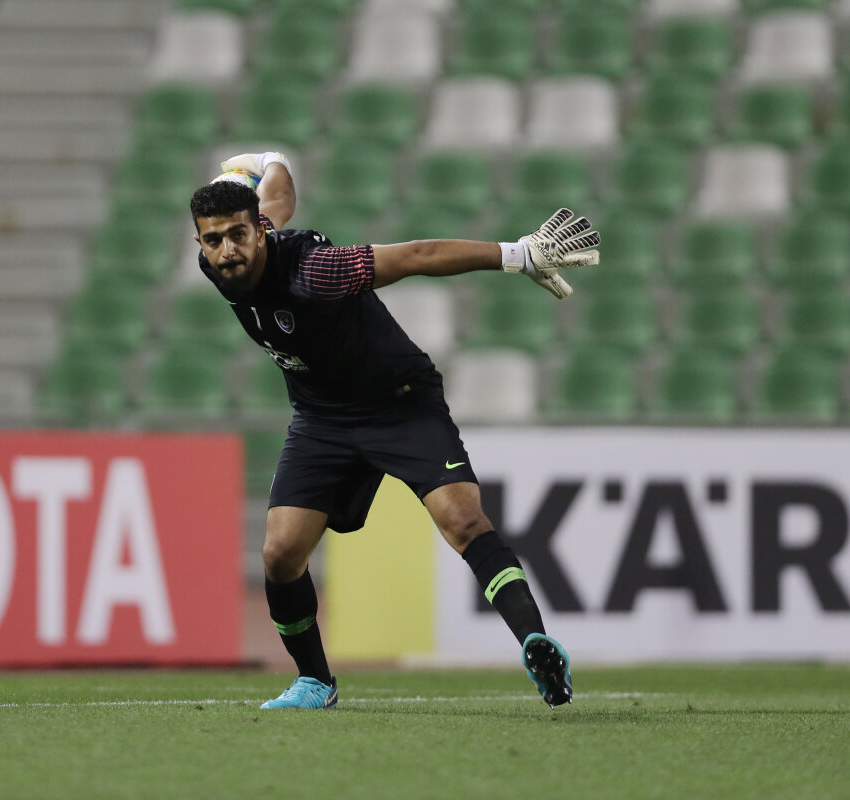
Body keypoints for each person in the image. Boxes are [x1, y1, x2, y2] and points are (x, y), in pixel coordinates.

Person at [189, 151, 600, 710]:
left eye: (238, 235)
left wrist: (517, 255)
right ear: (201, 243)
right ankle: (315, 682)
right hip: (322, 419)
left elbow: (416, 255)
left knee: (463, 521)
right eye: (213, 241)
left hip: (401, 404)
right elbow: (277, 196)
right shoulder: (221, 260)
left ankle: (536, 644)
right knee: (280, 554)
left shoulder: (316, 271)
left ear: (259, 232)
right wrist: (271, 160)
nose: (227, 251)